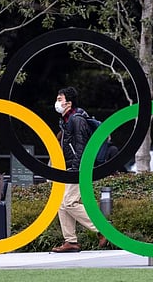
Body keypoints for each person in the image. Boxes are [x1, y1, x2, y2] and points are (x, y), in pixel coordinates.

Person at [51, 86, 108, 252]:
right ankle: (71, 241)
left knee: (69, 202)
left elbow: (81, 147)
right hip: (70, 168)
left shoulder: (77, 120)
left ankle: (102, 229)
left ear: (68, 103)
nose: (56, 103)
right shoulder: (66, 121)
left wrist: (76, 170)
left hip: (79, 168)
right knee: (62, 204)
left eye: (59, 99)